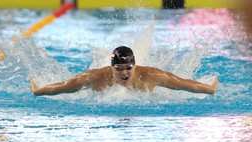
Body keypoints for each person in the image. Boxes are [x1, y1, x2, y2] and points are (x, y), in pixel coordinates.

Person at [30, 46, 218, 96]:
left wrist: (209, 88)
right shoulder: (95, 77)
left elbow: (184, 84)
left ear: (135, 67)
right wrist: (39, 90)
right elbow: (63, 86)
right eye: (118, 68)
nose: (124, 73)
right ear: (111, 67)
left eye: (128, 68)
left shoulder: (152, 76)